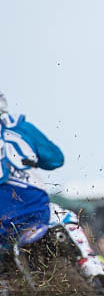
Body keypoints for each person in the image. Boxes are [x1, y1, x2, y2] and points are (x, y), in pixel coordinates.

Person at [0, 92, 65, 248]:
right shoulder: (21, 127)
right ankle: (87, 263)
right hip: (33, 204)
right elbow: (56, 159)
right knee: (62, 215)